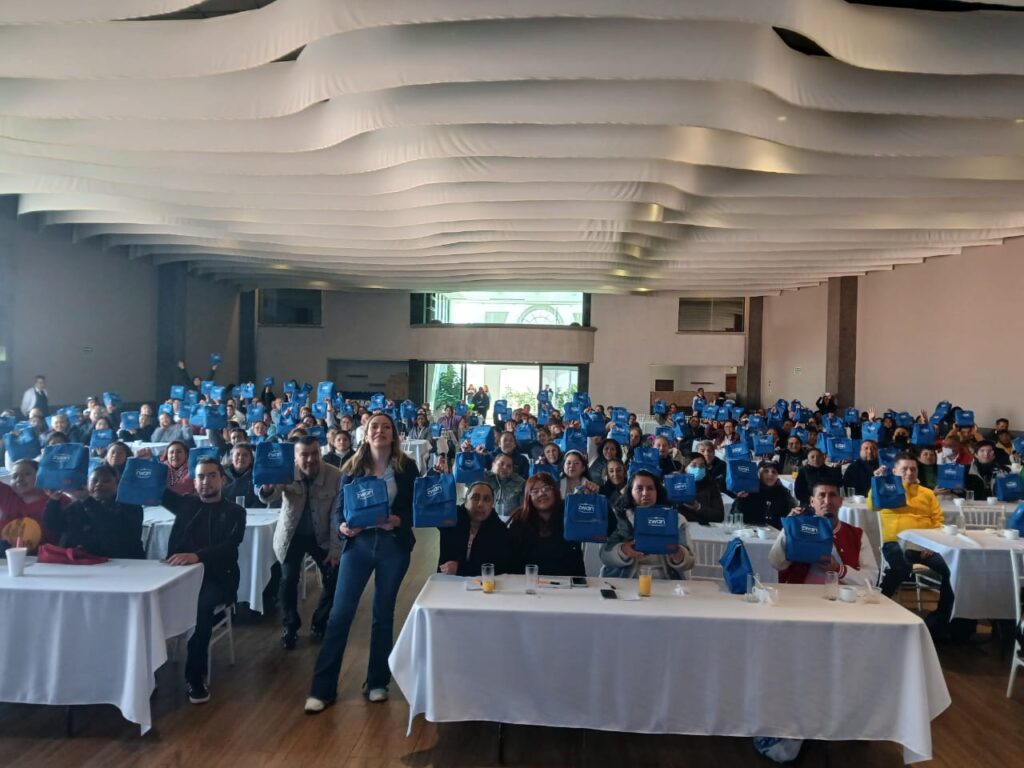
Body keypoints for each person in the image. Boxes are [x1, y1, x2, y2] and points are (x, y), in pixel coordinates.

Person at [306, 414, 418, 712]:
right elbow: (339, 511)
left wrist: (398, 520)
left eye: (386, 427)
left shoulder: (406, 467)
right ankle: (322, 689)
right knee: (340, 614)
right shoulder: (352, 467)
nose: (380, 431)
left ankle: (377, 682)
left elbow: (415, 508)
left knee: (383, 614)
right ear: (365, 435)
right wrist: (342, 527)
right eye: (374, 427)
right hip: (358, 545)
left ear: (393, 434)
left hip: (393, 546)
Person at [161, 457, 246, 704]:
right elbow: (152, 488)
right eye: (200, 476)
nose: (205, 481)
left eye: (211, 475)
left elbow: (229, 547)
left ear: (223, 480)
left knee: (200, 606)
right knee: (146, 599)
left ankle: (195, 677)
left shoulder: (235, 512)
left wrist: (197, 556)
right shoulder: (185, 504)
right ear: (194, 481)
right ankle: (146, 675)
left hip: (217, 577)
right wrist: (148, 466)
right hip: (178, 575)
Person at [259, 436, 343, 650]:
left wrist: (335, 549)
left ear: (320, 453)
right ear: (295, 458)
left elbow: (337, 515)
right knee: (288, 580)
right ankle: (290, 625)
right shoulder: (285, 471)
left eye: (314, 453)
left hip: (322, 536)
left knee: (334, 578)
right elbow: (269, 497)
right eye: (304, 455)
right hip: (291, 535)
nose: (310, 459)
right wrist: (268, 487)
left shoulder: (335, 476)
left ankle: (320, 622)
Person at [869, 455, 955, 640]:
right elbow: (872, 505)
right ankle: (876, 608)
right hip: (895, 541)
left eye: (913, 469)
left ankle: (940, 621)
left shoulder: (927, 493)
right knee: (901, 567)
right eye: (904, 469)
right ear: (894, 471)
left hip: (924, 544)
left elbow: (938, 520)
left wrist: (933, 543)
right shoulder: (887, 488)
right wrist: (878, 482)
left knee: (952, 569)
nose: (909, 472)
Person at [768, 478, 877, 586]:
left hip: (841, 595)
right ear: (812, 501)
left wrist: (839, 569)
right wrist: (789, 528)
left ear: (840, 501)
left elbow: (871, 579)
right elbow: (775, 563)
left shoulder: (856, 535)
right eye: (821, 495)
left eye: (832, 495)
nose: (827, 501)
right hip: (802, 594)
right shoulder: (799, 528)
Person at [600, 469, 694, 579]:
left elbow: (690, 562)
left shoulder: (677, 519)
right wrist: (623, 550)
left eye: (650, 488)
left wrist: (678, 553)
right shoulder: (618, 517)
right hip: (625, 580)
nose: (645, 493)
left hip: (666, 580)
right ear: (630, 493)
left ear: (657, 492)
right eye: (639, 489)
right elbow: (604, 555)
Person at [42, 464, 145, 559]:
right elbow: (54, 526)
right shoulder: (78, 505)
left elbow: (111, 525)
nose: (99, 484)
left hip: (121, 561)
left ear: (118, 484)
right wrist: (54, 501)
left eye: (106, 481)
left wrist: (87, 500)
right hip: (80, 561)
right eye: (94, 480)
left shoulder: (130, 505)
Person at [507, 472, 585, 577]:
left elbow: (604, 528)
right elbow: (512, 562)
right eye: (535, 491)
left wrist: (592, 497)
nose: (541, 494)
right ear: (528, 497)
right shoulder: (520, 521)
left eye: (546, 488)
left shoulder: (570, 514)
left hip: (567, 581)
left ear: (555, 491)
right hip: (529, 582)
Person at [438, 480, 513, 576]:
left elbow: (498, 568)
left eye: (486, 499)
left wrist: (460, 569)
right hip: (447, 580)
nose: (480, 504)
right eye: (475, 498)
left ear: (492, 505)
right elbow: (427, 506)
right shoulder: (451, 519)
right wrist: (438, 476)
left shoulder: (500, 530)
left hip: (484, 582)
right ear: (465, 501)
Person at [0, 459, 49, 553]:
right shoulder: (7, 495)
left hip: (41, 557)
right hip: (4, 556)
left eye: (27, 474)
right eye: (14, 476)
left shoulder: (56, 500)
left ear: (41, 476)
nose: (19, 479)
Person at [734, 460, 798, 528]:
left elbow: (790, 518)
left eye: (774, 472)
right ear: (759, 474)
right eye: (766, 471)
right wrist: (740, 500)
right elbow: (735, 517)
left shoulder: (784, 494)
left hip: (774, 532)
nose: (770, 474)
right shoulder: (749, 491)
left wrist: (793, 514)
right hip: (749, 529)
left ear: (777, 475)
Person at [679, 454, 725, 524]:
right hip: (683, 526)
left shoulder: (711, 486)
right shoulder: (677, 485)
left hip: (705, 527)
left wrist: (698, 507)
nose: (698, 469)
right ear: (685, 468)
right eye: (694, 465)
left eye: (702, 466)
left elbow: (719, 516)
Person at [485, 453, 525, 521]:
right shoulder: (482, 477)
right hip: (484, 520)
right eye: (501, 464)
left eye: (509, 466)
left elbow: (523, 507)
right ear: (493, 465)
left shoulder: (520, 482)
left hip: (511, 521)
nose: (505, 468)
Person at [223, 443, 261, 508]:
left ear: (251, 459)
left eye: (245, 455)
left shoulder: (257, 476)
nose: (240, 457)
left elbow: (259, 501)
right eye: (237, 455)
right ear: (232, 459)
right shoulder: (221, 475)